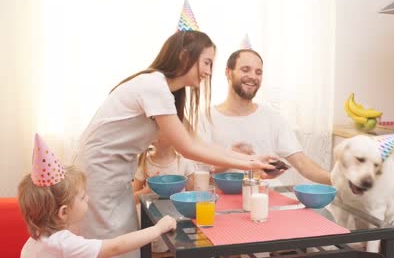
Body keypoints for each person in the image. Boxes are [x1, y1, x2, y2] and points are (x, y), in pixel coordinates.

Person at [74, 31, 274, 258]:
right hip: (99, 175)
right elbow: (188, 148)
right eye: (207, 63)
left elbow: (197, 142)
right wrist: (249, 163)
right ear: (184, 56)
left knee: (128, 244)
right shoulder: (153, 86)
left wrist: (252, 161)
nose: (209, 72)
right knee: (112, 247)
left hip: (115, 175)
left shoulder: (165, 93)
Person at [18, 134, 177, 258]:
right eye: (82, 197)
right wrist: (158, 229)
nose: (88, 198)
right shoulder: (64, 244)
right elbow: (115, 247)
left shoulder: (38, 238)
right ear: (63, 212)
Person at [198, 49, 331, 186]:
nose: (253, 76)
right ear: (228, 73)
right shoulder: (205, 119)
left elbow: (302, 163)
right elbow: (198, 175)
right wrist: (233, 158)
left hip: (264, 198)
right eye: (245, 70)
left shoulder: (273, 118)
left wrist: (339, 180)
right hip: (219, 201)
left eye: (258, 72)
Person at [133, 136, 195, 205]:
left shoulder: (185, 163)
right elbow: (132, 200)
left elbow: (191, 197)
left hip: (179, 213)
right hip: (153, 213)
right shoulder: (144, 163)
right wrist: (147, 190)